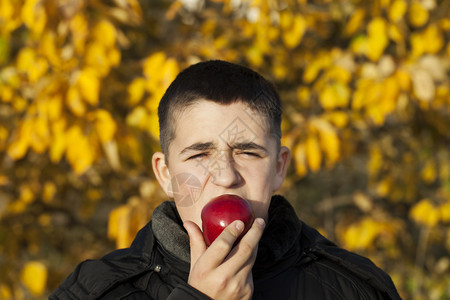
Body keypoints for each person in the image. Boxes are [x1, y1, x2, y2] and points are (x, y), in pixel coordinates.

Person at [50, 60, 401, 299]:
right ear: (165, 174)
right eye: (199, 154)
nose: (225, 176)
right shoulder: (95, 292)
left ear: (279, 167)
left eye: (247, 152)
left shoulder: (354, 287)